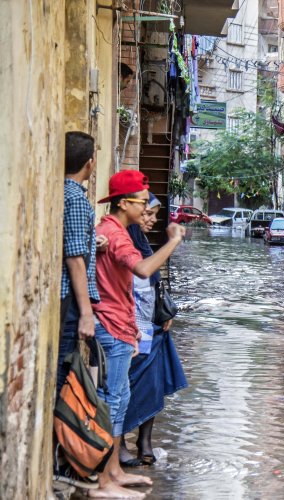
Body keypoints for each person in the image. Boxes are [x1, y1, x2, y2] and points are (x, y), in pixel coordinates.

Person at [92, 170, 186, 498]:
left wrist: (132, 331)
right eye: (143, 203)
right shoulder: (116, 234)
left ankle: (113, 471)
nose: (147, 210)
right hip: (111, 326)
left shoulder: (112, 230)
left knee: (119, 401)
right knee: (112, 401)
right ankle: (104, 480)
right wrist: (174, 240)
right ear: (124, 203)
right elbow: (143, 270)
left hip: (121, 326)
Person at [119, 193, 188, 467]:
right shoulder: (125, 241)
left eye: (154, 215)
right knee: (129, 384)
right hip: (134, 326)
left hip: (152, 325)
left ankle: (144, 441)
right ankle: (120, 442)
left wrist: (162, 312)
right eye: (147, 214)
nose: (151, 220)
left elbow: (153, 282)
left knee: (154, 384)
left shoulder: (142, 241)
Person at [58, 131, 107, 393]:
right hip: (70, 302)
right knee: (63, 375)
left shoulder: (62, 193)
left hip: (67, 300)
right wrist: (87, 314)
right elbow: (75, 259)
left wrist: (92, 241)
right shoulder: (76, 199)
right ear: (89, 163)